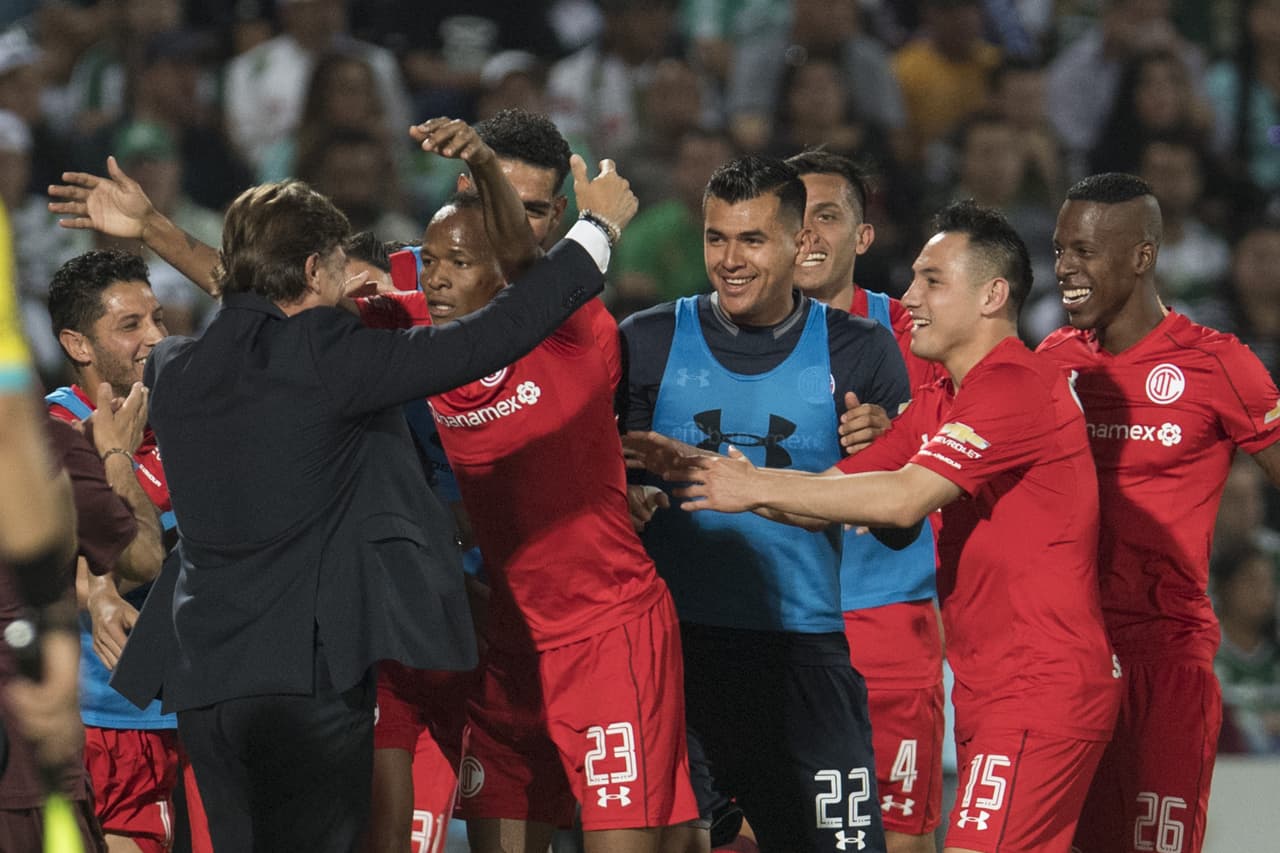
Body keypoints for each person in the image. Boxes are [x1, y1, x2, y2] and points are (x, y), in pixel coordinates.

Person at [50, 146, 635, 851]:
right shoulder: (333, 357)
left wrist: (156, 231)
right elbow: (496, 333)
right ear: (311, 271)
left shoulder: (178, 366)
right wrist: (596, 230)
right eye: (335, 265)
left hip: (204, 682)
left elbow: (245, 311)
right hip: (308, 681)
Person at [630, 199, 1123, 853]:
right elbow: (830, 497)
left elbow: (902, 499)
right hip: (995, 685)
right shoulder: (944, 400)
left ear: (992, 295)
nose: (910, 296)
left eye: (932, 280)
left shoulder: (1016, 384)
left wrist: (749, 485)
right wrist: (706, 472)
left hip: (1041, 685)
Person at [356, 117, 703, 853]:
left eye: (530, 208)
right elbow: (285, 322)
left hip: (604, 635)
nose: (505, 218)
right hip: (503, 644)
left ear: (552, 224)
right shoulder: (426, 321)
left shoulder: (576, 320)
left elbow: (520, 264)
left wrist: (485, 159)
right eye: (489, 195)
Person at [618, 155, 909, 853]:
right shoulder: (645, 342)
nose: (729, 259)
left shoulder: (861, 350)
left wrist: (890, 444)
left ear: (798, 244)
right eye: (717, 238)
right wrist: (620, 495)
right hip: (676, 652)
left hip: (805, 655)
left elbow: (899, 529)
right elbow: (598, 489)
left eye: (751, 239)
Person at [1037, 172, 1280, 853]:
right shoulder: (1053, 361)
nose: (1064, 268)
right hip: (1068, 661)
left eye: (1083, 250)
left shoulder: (1217, 364)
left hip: (1164, 659)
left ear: (1142, 257)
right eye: (1059, 250)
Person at [786, 149, 944, 853]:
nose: (810, 234)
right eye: (797, 216)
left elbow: (986, 433)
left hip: (889, 626)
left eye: (829, 215)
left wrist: (901, 433)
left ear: (863, 235)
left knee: (899, 838)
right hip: (775, 624)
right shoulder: (720, 337)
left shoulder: (924, 338)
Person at [43, 249, 211, 853]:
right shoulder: (55, 436)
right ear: (78, 344)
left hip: (187, 711)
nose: (155, 337)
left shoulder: (182, 423)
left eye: (159, 319)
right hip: (103, 719)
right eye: (131, 325)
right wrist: (97, 587)